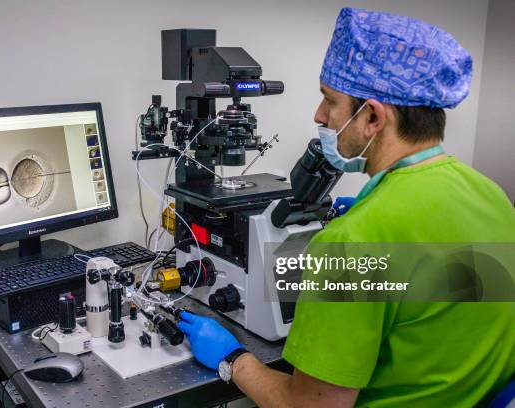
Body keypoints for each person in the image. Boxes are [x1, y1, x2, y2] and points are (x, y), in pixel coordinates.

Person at [177, 7, 515, 407]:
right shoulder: (490, 194)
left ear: (372, 116)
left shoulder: (351, 244)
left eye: (329, 100)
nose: (319, 115)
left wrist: (233, 359)